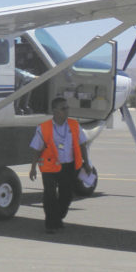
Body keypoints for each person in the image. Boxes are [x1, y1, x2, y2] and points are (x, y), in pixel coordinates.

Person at [29, 97, 91, 233]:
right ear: (55, 111)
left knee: (66, 195)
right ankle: (51, 224)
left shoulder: (74, 125)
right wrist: (33, 167)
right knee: (49, 195)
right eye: (63, 108)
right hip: (49, 167)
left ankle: (58, 217)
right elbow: (37, 149)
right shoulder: (43, 128)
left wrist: (87, 163)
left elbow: (82, 145)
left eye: (67, 107)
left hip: (68, 166)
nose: (67, 110)